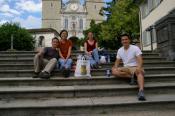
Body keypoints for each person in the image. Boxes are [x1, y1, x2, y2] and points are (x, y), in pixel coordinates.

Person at [112, 34, 146, 101]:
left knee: (139, 72)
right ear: (121, 41)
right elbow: (117, 62)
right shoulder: (120, 50)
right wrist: (114, 67)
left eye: (126, 39)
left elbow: (140, 59)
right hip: (126, 68)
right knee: (114, 71)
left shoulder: (135, 48)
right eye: (123, 40)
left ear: (129, 40)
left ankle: (141, 91)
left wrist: (139, 67)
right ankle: (132, 77)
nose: (124, 41)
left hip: (135, 67)